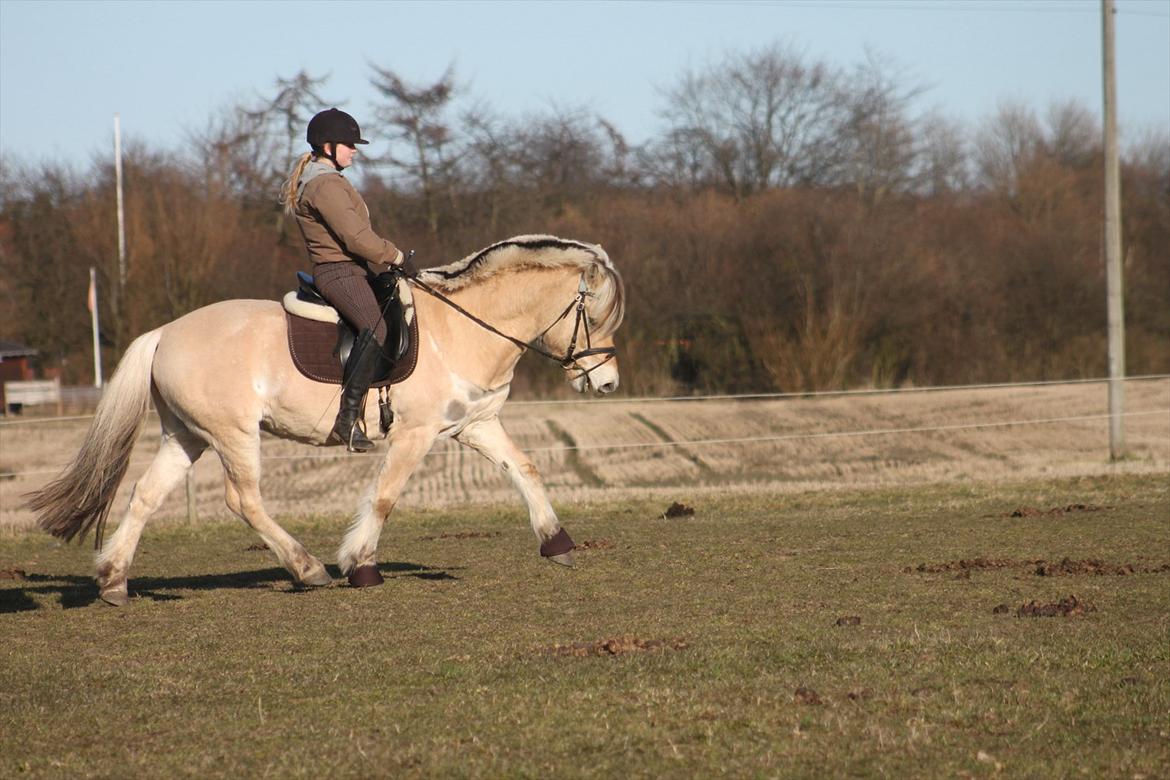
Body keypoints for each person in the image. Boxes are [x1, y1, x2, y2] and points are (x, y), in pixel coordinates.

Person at [281, 108, 416, 452]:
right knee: (374, 327)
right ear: (328, 147)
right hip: (339, 271)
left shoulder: (329, 181)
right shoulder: (324, 185)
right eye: (349, 144)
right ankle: (346, 419)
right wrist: (395, 255)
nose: (355, 149)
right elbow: (357, 239)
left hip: (355, 269)